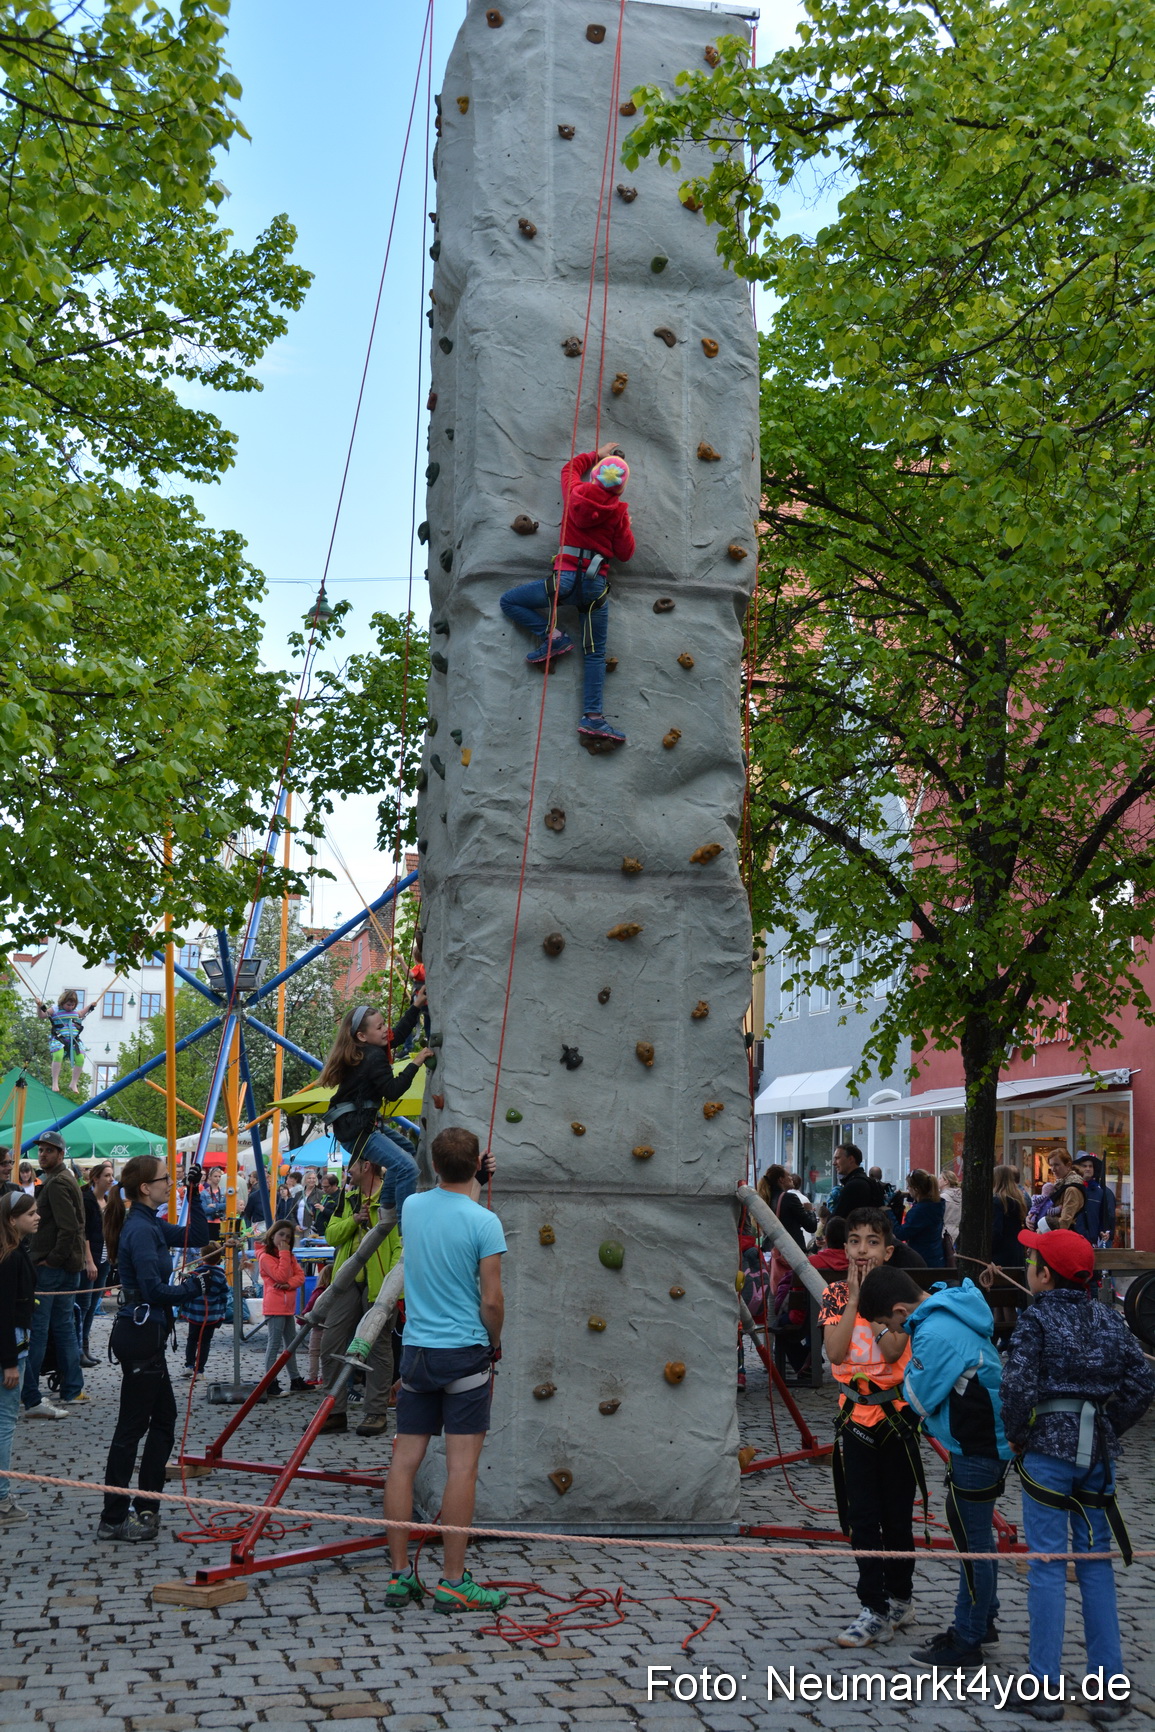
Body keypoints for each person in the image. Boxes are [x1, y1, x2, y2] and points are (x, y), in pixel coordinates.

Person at [1000, 1229, 1154, 1723]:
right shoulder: (1110, 1319)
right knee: (1095, 1563)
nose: (1027, 1267)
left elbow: (1016, 1386)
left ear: (1044, 1275)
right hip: (1097, 1454)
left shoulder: (1036, 1319)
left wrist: (1017, 1435)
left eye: (1031, 1261)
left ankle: (1043, 1686)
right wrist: (1109, 1425)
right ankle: (1108, 1685)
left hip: (1048, 1448)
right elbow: (1142, 1382)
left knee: (1046, 1562)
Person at [382, 1127, 510, 1615]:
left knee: (403, 1464)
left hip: (417, 1353)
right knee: (462, 1469)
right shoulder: (485, 1222)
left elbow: (445, 1205)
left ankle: (400, 1577)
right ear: (476, 1164)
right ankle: (453, 1582)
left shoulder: (414, 1208)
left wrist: (472, 1177)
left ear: (433, 1166)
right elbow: (491, 1301)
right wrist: (494, 1342)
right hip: (464, 1353)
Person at [859, 1265, 1012, 1666]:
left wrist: (908, 1387)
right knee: (977, 1537)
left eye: (887, 1324)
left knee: (972, 1544)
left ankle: (967, 1639)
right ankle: (983, 1621)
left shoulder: (934, 1333)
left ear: (899, 1310)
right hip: (982, 1440)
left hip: (976, 1444)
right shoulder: (949, 1308)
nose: (893, 1332)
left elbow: (918, 1396)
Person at [817, 1205, 921, 1648]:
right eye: (855, 1241)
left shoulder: (902, 1293)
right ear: (844, 1248)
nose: (863, 1250)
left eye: (873, 1242)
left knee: (897, 1515)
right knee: (862, 1516)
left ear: (888, 1251)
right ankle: (872, 1606)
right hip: (854, 1418)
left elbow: (895, 1350)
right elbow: (836, 1353)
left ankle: (900, 1596)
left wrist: (875, 1304)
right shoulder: (836, 1295)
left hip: (895, 1419)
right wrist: (855, 1300)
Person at [98, 1156, 212, 1542]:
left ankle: (145, 1505)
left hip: (147, 1336)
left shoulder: (148, 1222)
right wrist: (192, 1288)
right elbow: (153, 1290)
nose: (170, 1183)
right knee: (132, 1428)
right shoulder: (141, 1230)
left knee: (162, 1420)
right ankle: (115, 1517)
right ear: (146, 1187)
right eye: (166, 1179)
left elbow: (196, 1235)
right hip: (140, 1336)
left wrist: (194, 1192)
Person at [499, 443, 635, 748]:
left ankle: (554, 637)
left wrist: (596, 455)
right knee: (595, 653)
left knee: (510, 601)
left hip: (564, 581)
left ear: (595, 477)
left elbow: (569, 468)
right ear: (620, 488)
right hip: (595, 587)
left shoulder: (576, 493)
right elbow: (625, 553)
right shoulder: (618, 513)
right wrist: (626, 525)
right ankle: (593, 717)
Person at [318, 1000, 434, 1221]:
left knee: (407, 1149)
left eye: (384, 1024)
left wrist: (415, 1006)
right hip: (358, 1130)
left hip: (356, 1126)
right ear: (362, 1036)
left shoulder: (363, 1050)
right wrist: (416, 1062)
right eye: (380, 1027)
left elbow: (396, 1036)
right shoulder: (373, 1056)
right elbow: (392, 1091)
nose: (385, 1030)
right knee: (407, 1168)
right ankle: (403, 1223)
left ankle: (387, 1208)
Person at [319, 1158, 403, 1437]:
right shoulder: (347, 1198)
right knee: (331, 1342)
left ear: (366, 1166)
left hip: (379, 1285)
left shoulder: (392, 1197)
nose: (347, 1172)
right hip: (347, 1282)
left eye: (351, 1166)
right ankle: (334, 1412)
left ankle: (375, 1412)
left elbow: (399, 1245)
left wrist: (391, 1287)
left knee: (377, 1348)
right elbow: (331, 1235)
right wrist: (354, 1220)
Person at [23, 1131, 90, 1418]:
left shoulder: (58, 1182)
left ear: (61, 1154)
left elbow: (69, 1227)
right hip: (66, 1265)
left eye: (49, 1150)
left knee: (39, 1331)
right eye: (40, 1150)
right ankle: (72, 1389)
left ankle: (29, 1393)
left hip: (55, 1268)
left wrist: (53, 1259)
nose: (42, 1155)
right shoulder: (60, 1178)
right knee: (63, 1328)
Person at [0, 1192, 39, 1525]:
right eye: (31, 1213)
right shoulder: (10, 1257)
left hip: (14, 1343)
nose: (37, 1217)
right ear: (12, 1220)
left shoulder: (16, 1251)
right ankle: (1, 1499)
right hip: (11, 1347)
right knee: (4, 1423)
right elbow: (4, 1313)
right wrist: (9, 1362)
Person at [258, 1220, 307, 1395]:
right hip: (274, 1306)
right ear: (272, 1235)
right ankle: (270, 1382)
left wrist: (289, 1285)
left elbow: (300, 1276)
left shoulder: (289, 1256)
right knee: (274, 1344)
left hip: (288, 1306)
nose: (284, 1239)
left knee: (291, 1345)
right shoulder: (266, 1257)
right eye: (281, 1235)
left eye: (288, 1236)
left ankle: (295, 1379)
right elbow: (280, 1276)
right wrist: (284, 1254)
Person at [77, 1160, 114, 1366]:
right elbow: (84, 1234)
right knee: (83, 1304)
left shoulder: (108, 1201)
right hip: (91, 1260)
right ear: (96, 1178)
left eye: (111, 1175)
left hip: (104, 1259)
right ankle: (78, 1348)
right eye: (107, 1175)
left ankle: (85, 1347)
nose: (110, 1179)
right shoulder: (87, 1200)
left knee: (93, 1305)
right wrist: (89, 1261)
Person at [36, 991, 97, 1092]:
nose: (70, 1007)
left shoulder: (75, 1011)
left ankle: (73, 1083)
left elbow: (82, 1013)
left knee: (80, 1058)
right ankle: (55, 1082)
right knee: (58, 1056)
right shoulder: (55, 1009)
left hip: (74, 1040)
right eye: (68, 1005)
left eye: (73, 1005)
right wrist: (39, 1006)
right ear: (62, 1002)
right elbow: (42, 1015)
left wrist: (91, 1005)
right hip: (59, 1038)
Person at [893, 1170, 946, 1267]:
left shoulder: (919, 1211)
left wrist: (889, 1213)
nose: (907, 1188)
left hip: (922, 1259)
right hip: (936, 1256)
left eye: (909, 1186)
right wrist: (908, 1196)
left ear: (916, 1189)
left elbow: (901, 1234)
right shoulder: (937, 1205)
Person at [829, 1144, 885, 1219]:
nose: (834, 1163)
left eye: (837, 1158)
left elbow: (837, 1219)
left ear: (851, 1159)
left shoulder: (854, 1185)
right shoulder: (866, 1182)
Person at [1074, 1153, 1116, 1249]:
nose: (1088, 1169)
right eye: (1084, 1166)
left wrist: (1104, 1231)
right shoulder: (1072, 1189)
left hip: (1092, 1242)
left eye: (1090, 1166)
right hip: (1074, 1239)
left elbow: (1102, 1216)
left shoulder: (1100, 1192)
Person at [1040, 1148, 1085, 1234]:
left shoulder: (1072, 1189)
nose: (1053, 1169)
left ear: (1068, 1165)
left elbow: (1064, 1222)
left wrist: (1043, 1229)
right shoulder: (1060, 1185)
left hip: (1062, 1235)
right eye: (1051, 1165)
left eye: (1057, 1165)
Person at [991, 1165, 1027, 1270]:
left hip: (1000, 1256)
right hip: (1016, 1252)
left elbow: (996, 1231)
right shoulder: (1019, 1201)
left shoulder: (997, 1202)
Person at [939, 1169, 962, 1239]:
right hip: (958, 1231)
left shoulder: (942, 1198)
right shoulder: (961, 1196)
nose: (938, 1180)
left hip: (944, 1233)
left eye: (940, 1178)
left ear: (946, 1181)